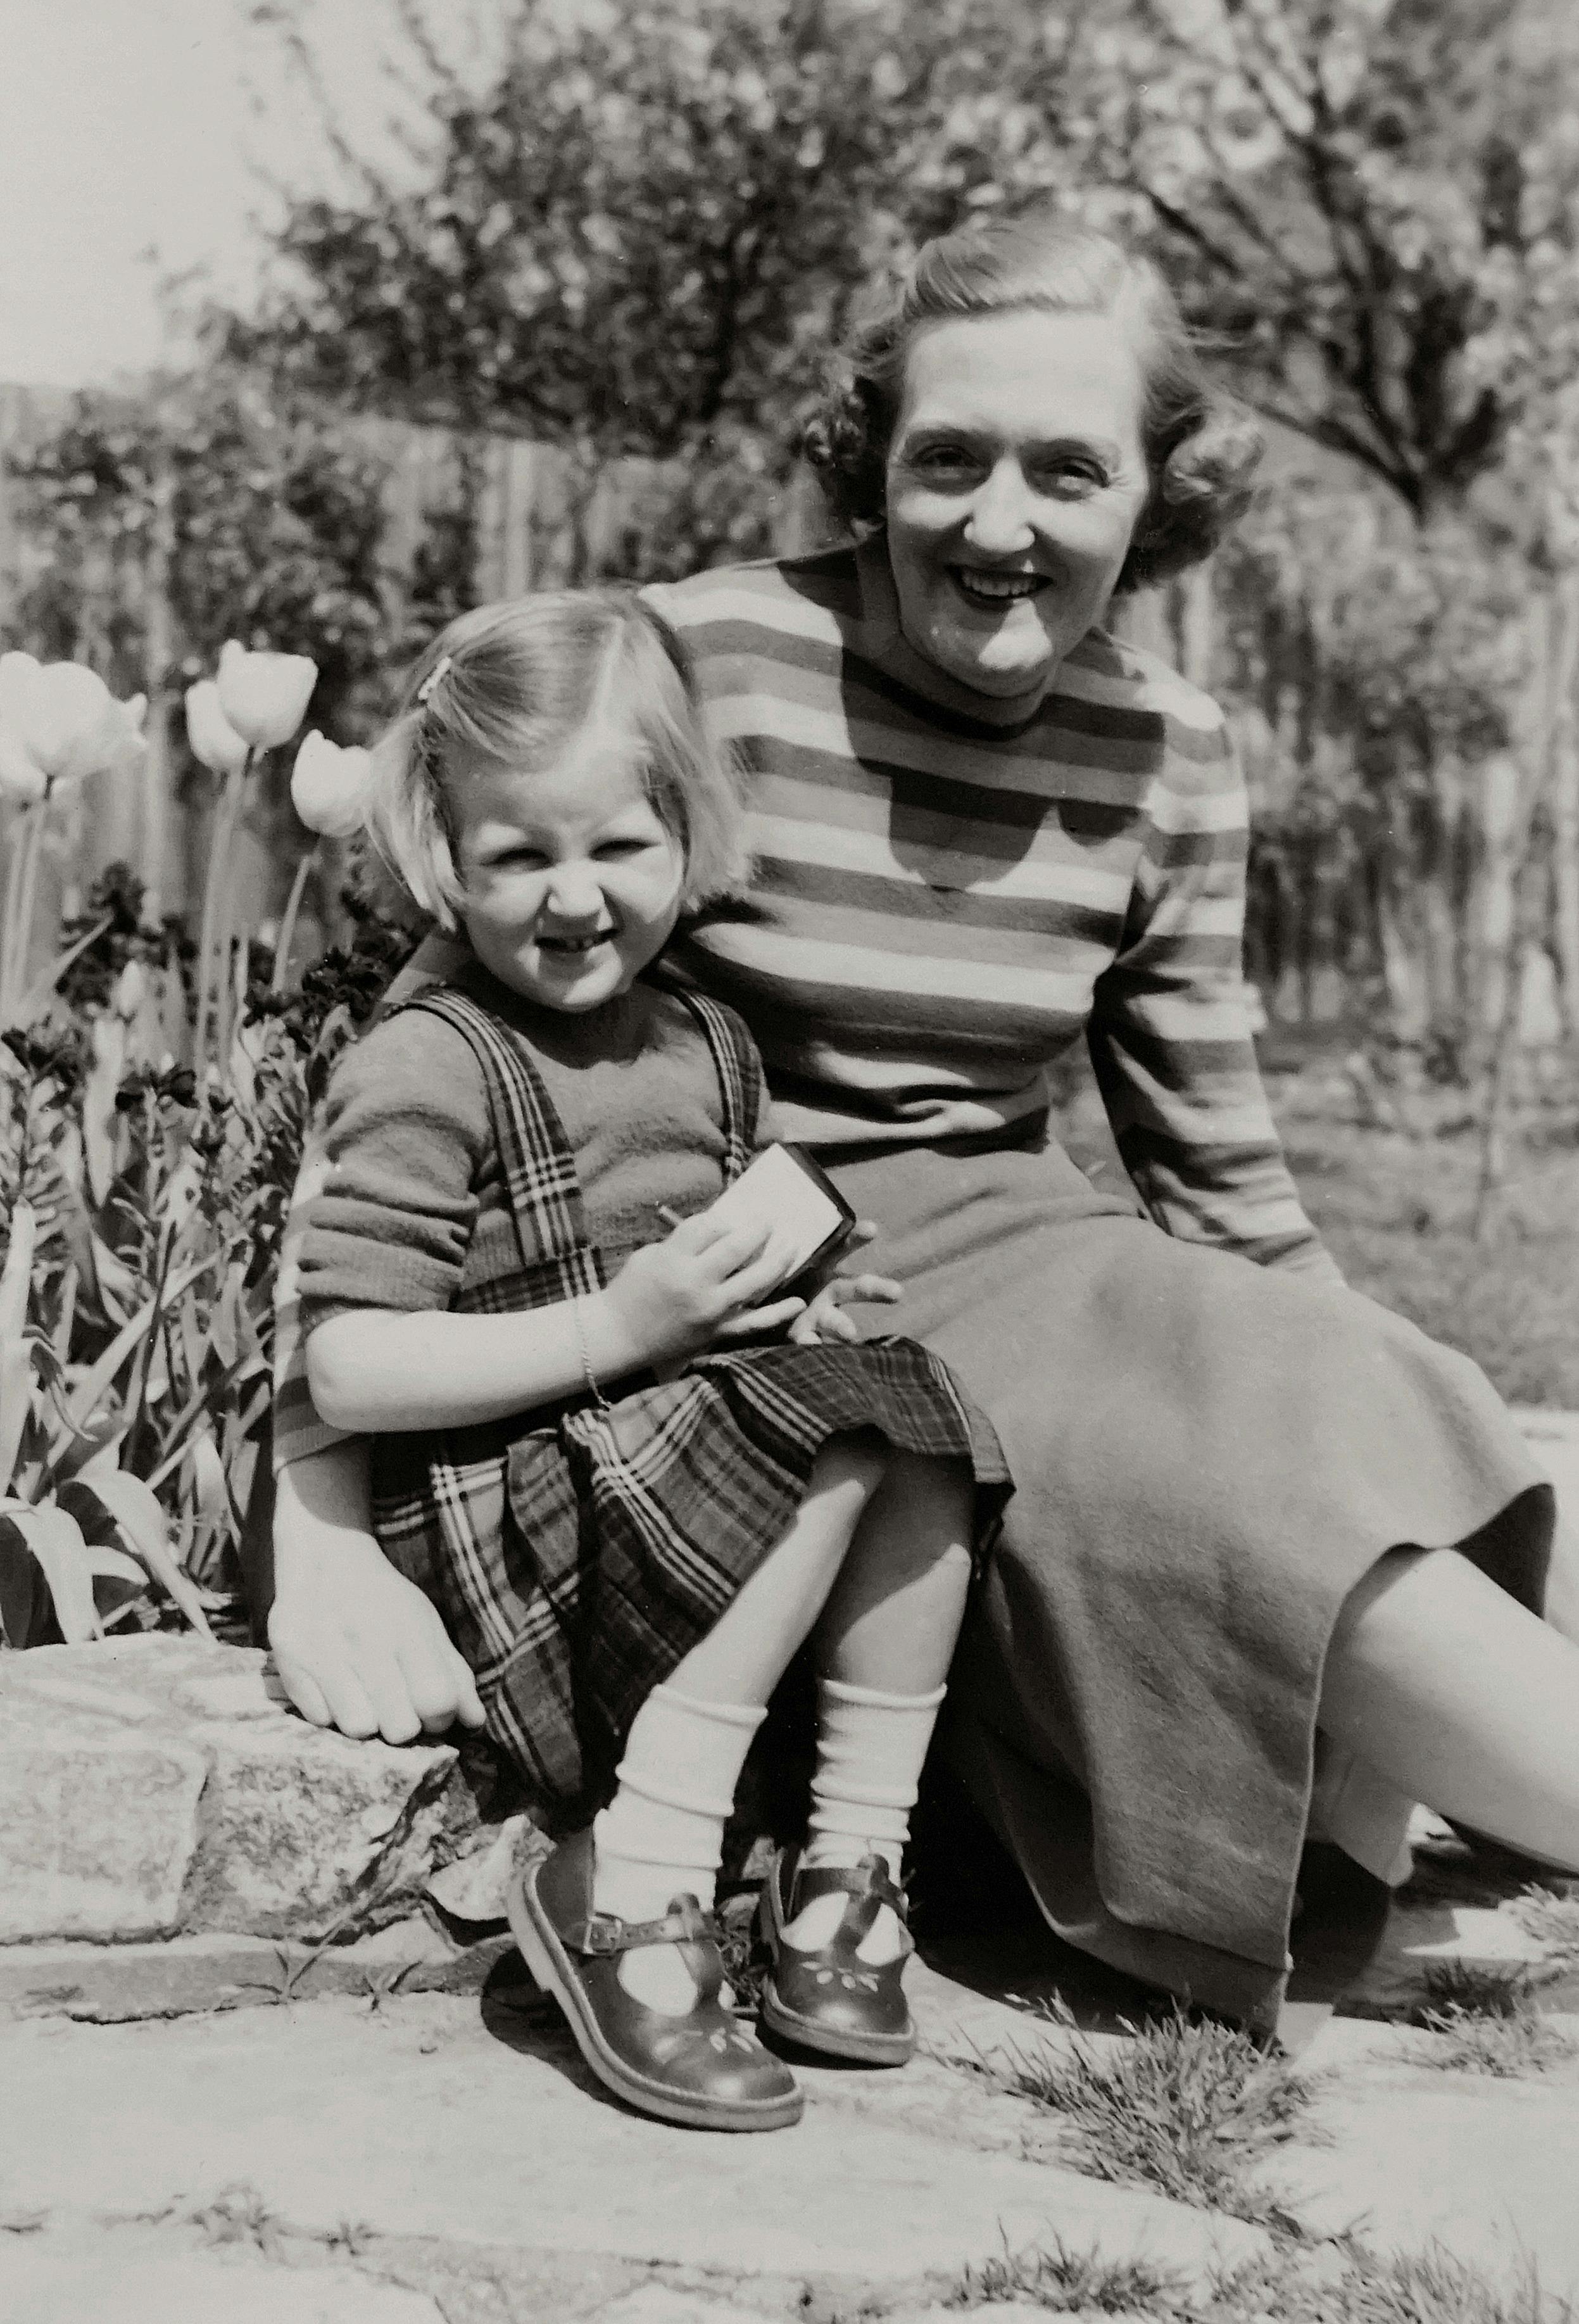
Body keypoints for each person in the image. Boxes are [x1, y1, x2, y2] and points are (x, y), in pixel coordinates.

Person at [270, 202, 1579, 2041]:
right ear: (867, 463)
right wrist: (313, 1512)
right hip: (779, 1273)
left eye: (1066, 469)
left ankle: (1361, 1843)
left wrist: (1328, 1339)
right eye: (944, 460)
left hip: (1043, 1237)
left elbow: (1216, 1169)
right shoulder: (699, 660)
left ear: (1154, 494)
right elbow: (420, 1047)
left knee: (1377, 1393)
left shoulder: (1171, 746)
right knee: (1216, 1501)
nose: (996, 523)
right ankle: (1342, 1858)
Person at [291, 588, 1010, 2131]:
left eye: (616, 845)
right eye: (516, 856)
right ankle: (641, 1866)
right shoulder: (428, 1058)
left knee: (919, 1415)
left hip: (648, 1483)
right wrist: (628, 1328)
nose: (571, 897)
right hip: (495, 1503)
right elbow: (345, 1367)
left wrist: (784, 1307)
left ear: (687, 833)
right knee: (827, 1428)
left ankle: (844, 1862)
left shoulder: (705, 1042)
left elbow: (717, 1305)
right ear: (444, 860)